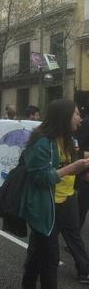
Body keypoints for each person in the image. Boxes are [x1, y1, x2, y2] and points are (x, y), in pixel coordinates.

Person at [20, 99, 89, 288]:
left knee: (38, 252)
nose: (80, 118)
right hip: (46, 206)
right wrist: (72, 168)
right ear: (63, 117)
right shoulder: (42, 141)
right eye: (76, 114)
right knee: (51, 258)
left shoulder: (69, 139)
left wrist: (80, 170)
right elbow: (40, 178)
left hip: (68, 201)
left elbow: (67, 168)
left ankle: (27, 283)